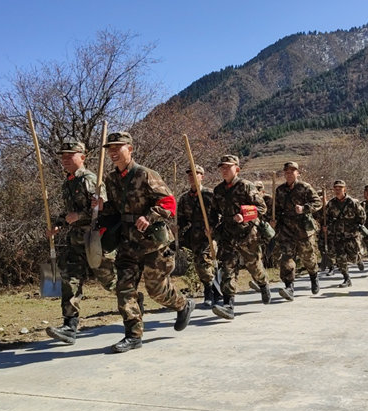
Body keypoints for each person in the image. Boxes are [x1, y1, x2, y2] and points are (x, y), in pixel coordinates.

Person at [99, 131, 195, 353]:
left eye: (118, 148)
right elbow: (115, 209)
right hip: (127, 243)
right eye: (110, 149)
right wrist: (102, 207)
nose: (113, 152)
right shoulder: (111, 179)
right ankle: (133, 335)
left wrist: (149, 216)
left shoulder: (146, 175)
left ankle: (183, 304)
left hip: (152, 244)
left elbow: (169, 202)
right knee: (124, 288)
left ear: (130, 149)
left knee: (156, 290)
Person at [45, 138, 113, 345]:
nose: (65, 159)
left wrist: (80, 215)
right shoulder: (69, 182)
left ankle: (133, 302)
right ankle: (70, 325)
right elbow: (69, 212)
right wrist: (58, 224)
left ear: (82, 157)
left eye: (69, 155)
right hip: (76, 240)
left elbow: (103, 209)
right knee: (69, 278)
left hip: (94, 238)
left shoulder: (90, 179)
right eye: (63, 156)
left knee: (109, 280)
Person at [210, 154, 273, 320]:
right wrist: (210, 227)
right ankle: (228, 305)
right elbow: (213, 212)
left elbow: (262, 207)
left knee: (254, 266)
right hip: (227, 235)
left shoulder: (246, 186)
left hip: (247, 234)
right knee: (228, 269)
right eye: (222, 167)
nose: (224, 170)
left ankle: (264, 284)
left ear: (236, 168)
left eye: (228, 167)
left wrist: (244, 215)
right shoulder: (218, 191)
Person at [273, 161, 323, 298]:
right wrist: (273, 220)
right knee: (287, 258)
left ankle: (314, 277)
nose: (289, 174)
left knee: (308, 257)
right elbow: (276, 209)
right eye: (287, 172)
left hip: (303, 229)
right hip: (287, 229)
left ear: (297, 173)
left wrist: (304, 208)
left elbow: (317, 202)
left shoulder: (305, 187)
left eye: (292, 172)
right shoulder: (280, 190)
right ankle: (289, 287)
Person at [177, 164, 217, 309]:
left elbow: (219, 214)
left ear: (202, 176)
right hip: (193, 236)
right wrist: (178, 227)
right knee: (199, 263)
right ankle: (213, 289)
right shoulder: (184, 199)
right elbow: (181, 219)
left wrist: (213, 229)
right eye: (189, 175)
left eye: (195, 174)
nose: (192, 177)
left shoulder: (210, 195)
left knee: (203, 261)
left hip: (209, 235)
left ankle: (209, 292)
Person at [324, 180, 365, 287]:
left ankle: (359, 259)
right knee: (340, 257)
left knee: (353, 256)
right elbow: (326, 217)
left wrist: (358, 226)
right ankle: (346, 278)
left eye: (340, 188)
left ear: (344, 189)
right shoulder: (331, 203)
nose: (338, 191)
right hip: (338, 234)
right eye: (336, 189)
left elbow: (362, 216)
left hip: (351, 234)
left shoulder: (353, 202)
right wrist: (326, 226)